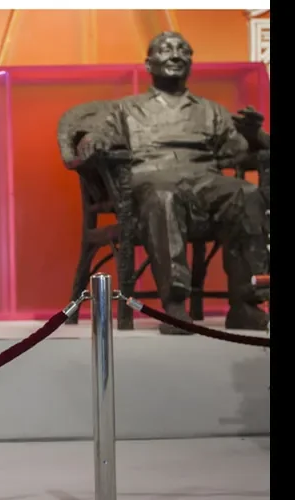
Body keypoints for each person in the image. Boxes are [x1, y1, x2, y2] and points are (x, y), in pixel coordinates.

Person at [77, 32, 269, 334]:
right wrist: (90, 140)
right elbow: (97, 137)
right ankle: (175, 305)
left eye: (183, 50)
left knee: (246, 194)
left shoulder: (210, 110)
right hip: (151, 179)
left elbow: (239, 152)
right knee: (163, 195)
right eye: (166, 49)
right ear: (148, 63)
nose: (176, 55)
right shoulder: (125, 109)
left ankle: (246, 306)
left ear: (191, 62)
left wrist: (254, 136)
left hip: (204, 180)